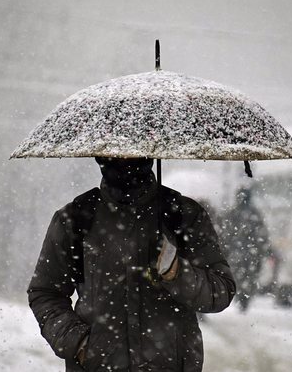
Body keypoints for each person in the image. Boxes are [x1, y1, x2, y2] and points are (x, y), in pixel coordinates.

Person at [28, 157, 236, 372]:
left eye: (132, 155)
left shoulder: (184, 215)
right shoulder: (76, 218)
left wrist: (176, 272)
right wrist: (80, 345)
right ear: (100, 155)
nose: (124, 160)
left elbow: (220, 290)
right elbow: (45, 293)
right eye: (113, 153)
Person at [220, 187, 270, 312]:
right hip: (251, 253)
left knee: (239, 275)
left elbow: (225, 234)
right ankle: (244, 297)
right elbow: (262, 235)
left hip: (237, 252)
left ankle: (241, 295)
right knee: (249, 276)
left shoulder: (232, 214)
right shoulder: (255, 215)